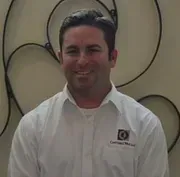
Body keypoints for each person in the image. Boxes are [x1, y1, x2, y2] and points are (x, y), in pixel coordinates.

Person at [8, 9, 169, 177]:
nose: (82, 61)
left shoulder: (145, 126)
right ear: (61, 58)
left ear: (112, 57)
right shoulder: (32, 127)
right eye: (72, 51)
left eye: (92, 50)